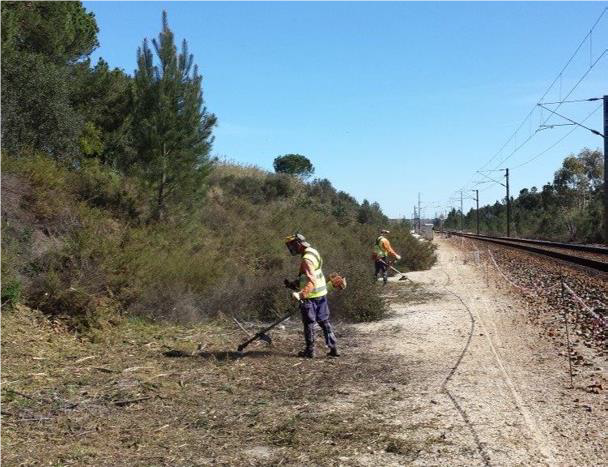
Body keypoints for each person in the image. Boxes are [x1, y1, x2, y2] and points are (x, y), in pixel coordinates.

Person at [284, 233, 339, 358]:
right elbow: (309, 275)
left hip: (310, 296)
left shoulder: (306, 259)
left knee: (309, 323)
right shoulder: (313, 252)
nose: (291, 249)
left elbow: (312, 280)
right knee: (324, 321)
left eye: (292, 245)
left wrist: (301, 294)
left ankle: (310, 351)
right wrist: (295, 284)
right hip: (321, 293)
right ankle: (334, 349)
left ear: (298, 244)